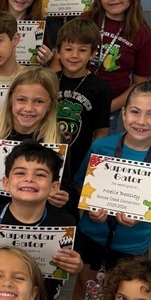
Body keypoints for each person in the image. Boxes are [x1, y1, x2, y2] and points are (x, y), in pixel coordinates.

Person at [71, 81, 151, 300]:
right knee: (85, 282)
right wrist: (90, 207)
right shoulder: (101, 147)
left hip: (132, 243)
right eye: (135, 112)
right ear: (123, 113)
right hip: (92, 233)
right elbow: (81, 185)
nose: (141, 121)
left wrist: (142, 215)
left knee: (120, 294)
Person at [0, 142, 83, 300]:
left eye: (40, 174)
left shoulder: (65, 224)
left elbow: (74, 262)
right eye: (20, 172)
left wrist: (76, 266)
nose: (29, 178)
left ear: (54, 187)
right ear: (6, 183)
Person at [0, 66, 66, 215]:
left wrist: (62, 198)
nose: (28, 108)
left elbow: (64, 186)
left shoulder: (57, 143)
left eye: (38, 102)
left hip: (38, 224)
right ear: (10, 100)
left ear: (50, 105)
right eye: (21, 100)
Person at [52, 19, 111, 210]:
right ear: (58, 52)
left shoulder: (101, 88)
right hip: (48, 155)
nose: (74, 55)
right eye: (68, 49)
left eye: (82, 50)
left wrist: (91, 163)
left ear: (93, 54)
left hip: (79, 158)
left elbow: (101, 132)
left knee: (70, 208)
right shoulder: (49, 80)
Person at [84, 0, 151, 114]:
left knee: (102, 139)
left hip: (111, 108)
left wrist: (107, 108)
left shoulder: (142, 33)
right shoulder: (86, 19)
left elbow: (139, 85)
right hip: (76, 100)